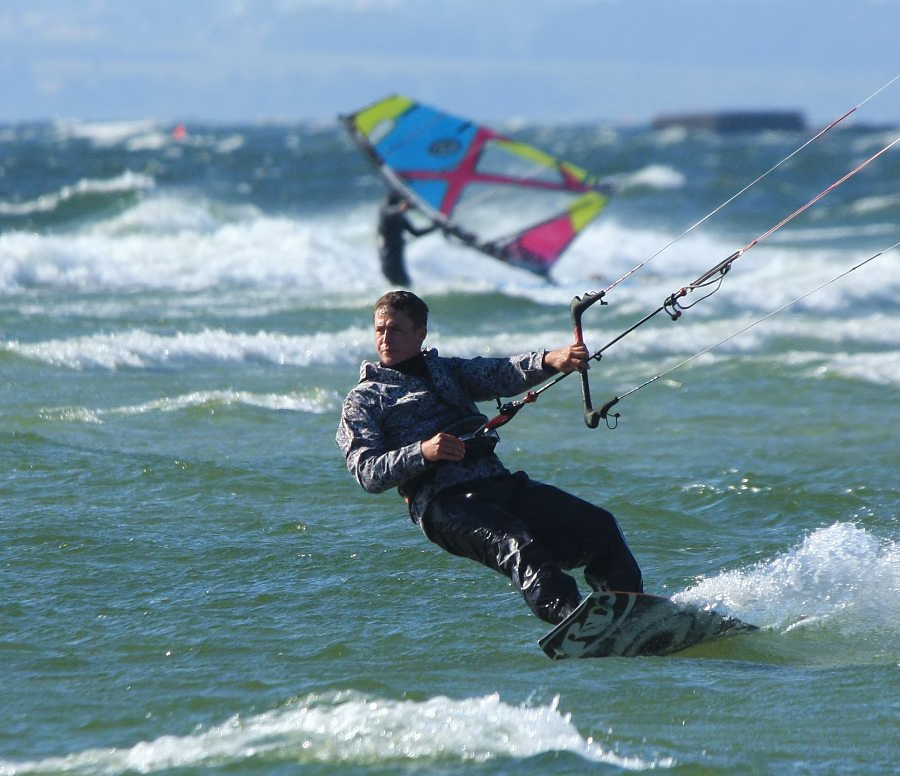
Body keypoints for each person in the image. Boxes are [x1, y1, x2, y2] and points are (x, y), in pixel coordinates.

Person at [336, 290, 643, 625]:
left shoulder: (446, 370)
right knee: (518, 544)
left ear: (420, 333)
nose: (385, 338)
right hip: (442, 503)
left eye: (395, 330)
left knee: (598, 526)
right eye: (379, 330)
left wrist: (551, 360)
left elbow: (500, 372)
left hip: (497, 483)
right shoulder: (365, 399)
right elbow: (366, 472)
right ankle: (575, 621)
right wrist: (422, 452)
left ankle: (629, 612)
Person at [377, 191, 436, 286]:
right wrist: (401, 209)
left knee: (407, 284)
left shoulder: (401, 218)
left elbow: (416, 233)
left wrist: (434, 227)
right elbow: (389, 213)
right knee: (399, 287)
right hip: (388, 260)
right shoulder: (386, 214)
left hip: (398, 259)